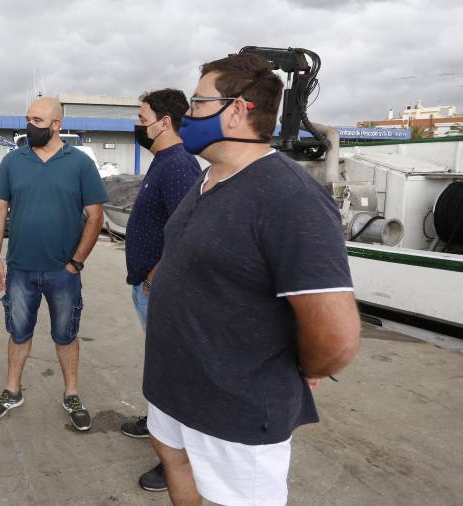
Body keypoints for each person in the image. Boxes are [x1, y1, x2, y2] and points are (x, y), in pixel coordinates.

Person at [143, 53, 361, 506]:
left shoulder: (289, 198)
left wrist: (308, 367)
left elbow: (337, 337)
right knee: (172, 456)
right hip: (176, 387)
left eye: (199, 102)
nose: (188, 114)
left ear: (238, 109)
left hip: (236, 406)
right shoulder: (207, 179)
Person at [0, 97, 108, 431]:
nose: (29, 126)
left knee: (66, 335)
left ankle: (72, 394)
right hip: (20, 268)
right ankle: (12, 391)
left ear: (56, 124)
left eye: (37, 120)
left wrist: (76, 262)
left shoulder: (79, 163)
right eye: (27, 119)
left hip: (63, 271)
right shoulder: (13, 161)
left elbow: (95, 216)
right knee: (18, 332)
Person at [118, 89, 201, 493]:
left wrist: (154, 276)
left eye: (141, 116)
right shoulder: (163, 162)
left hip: (161, 289)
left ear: (164, 122)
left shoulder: (179, 166)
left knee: (172, 373)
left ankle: (173, 459)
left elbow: (186, 232)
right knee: (159, 366)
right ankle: (158, 425)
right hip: (150, 286)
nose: (137, 124)